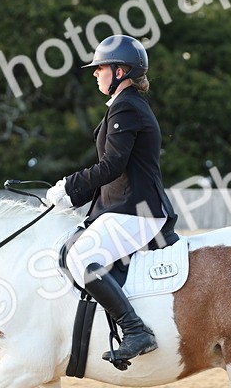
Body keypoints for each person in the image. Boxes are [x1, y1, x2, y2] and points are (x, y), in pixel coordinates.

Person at [46, 34, 177, 365]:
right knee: (70, 252)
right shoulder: (125, 107)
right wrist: (74, 198)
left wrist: (69, 187)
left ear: (120, 71)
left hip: (138, 211)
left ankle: (136, 331)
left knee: (81, 259)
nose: (95, 73)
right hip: (123, 208)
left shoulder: (128, 107)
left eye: (100, 67)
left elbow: (111, 166)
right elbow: (115, 172)